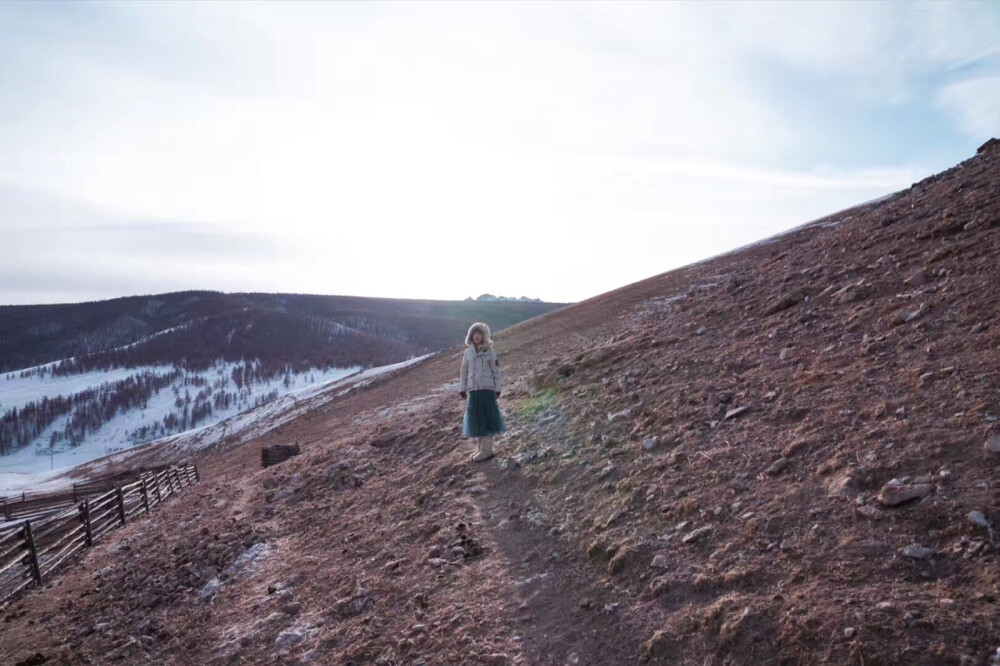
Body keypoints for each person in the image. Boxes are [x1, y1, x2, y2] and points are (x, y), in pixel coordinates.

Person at [459, 322, 505, 462]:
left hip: (487, 389)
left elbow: (495, 371)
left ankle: (487, 451)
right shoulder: (468, 353)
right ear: (471, 336)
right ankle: (480, 449)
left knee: (487, 418)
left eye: (479, 333)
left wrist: (497, 388)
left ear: (484, 336)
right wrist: (462, 388)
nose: (477, 336)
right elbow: (464, 371)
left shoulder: (490, 351)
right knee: (477, 419)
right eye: (474, 333)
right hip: (474, 390)